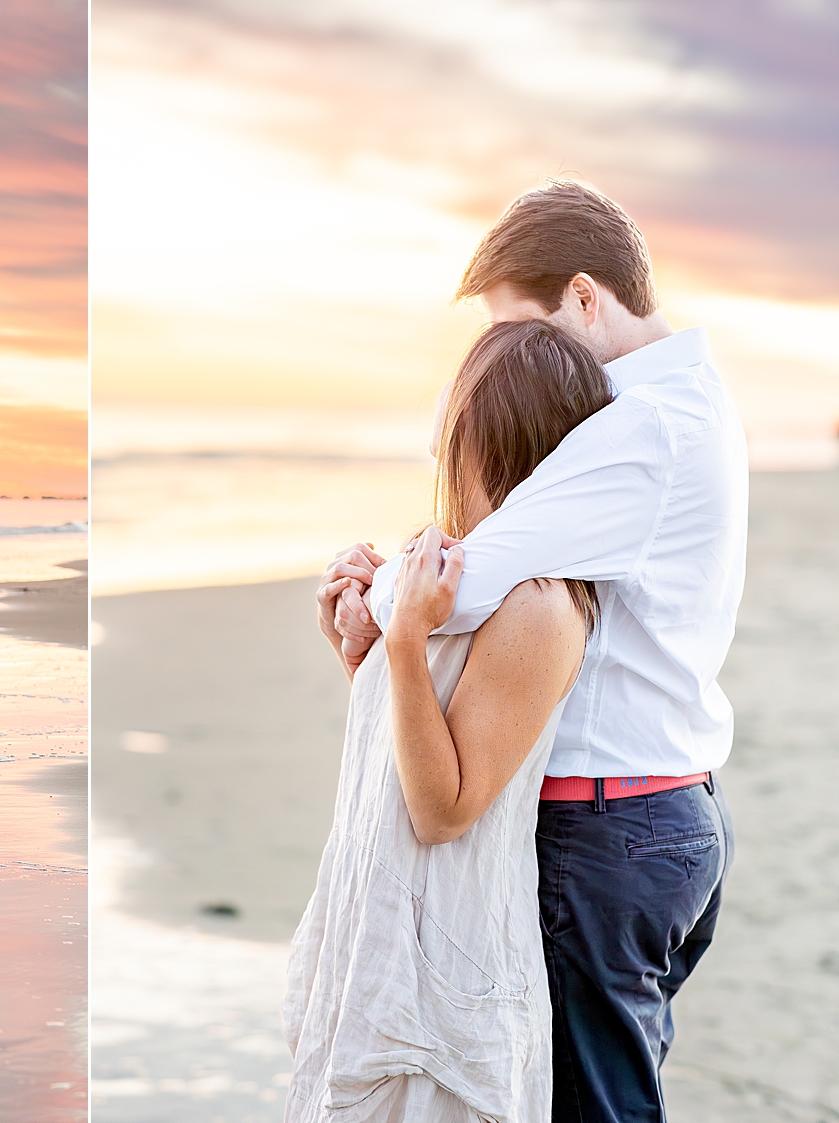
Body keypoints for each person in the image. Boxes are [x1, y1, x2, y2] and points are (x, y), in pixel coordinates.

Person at [319, 181, 744, 1122]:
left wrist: (376, 594)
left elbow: (463, 578)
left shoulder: (643, 429)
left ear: (586, 297)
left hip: (609, 826)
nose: (520, 360)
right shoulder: (691, 400)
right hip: (658, 808)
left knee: (596, 1107)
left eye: (526, 331)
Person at [286, 319, 610, 1122]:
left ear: (491, 439)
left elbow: (442, 808)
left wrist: (403, 640)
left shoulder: (541, 605)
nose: (440, 445)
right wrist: (356, 646)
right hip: (380, 930)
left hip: (447, 962)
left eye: (456, 425)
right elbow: (402, 746)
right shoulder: (456, 568)